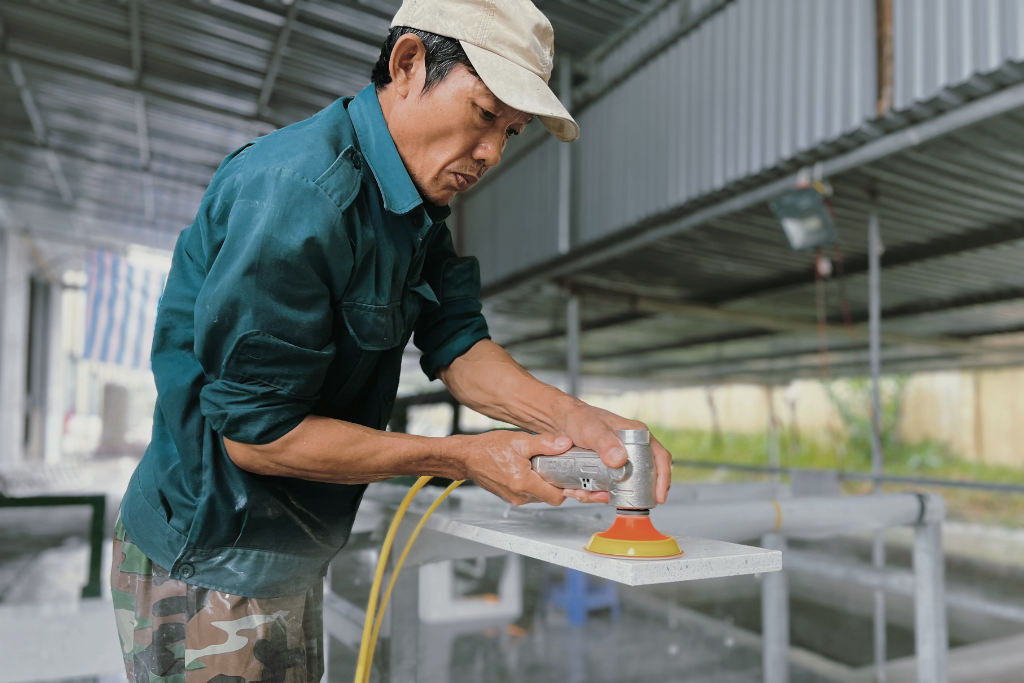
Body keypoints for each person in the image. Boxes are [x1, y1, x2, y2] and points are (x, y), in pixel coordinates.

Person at [111, 1, 673, 680]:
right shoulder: (299, 195)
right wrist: (462, 456)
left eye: (511, 131)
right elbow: (256, 434)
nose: (493, 151)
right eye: (485, 112)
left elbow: (460, 344)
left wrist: (576, 420)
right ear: (408, 64)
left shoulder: (415, 209)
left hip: (286, 551)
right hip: (211, 556)